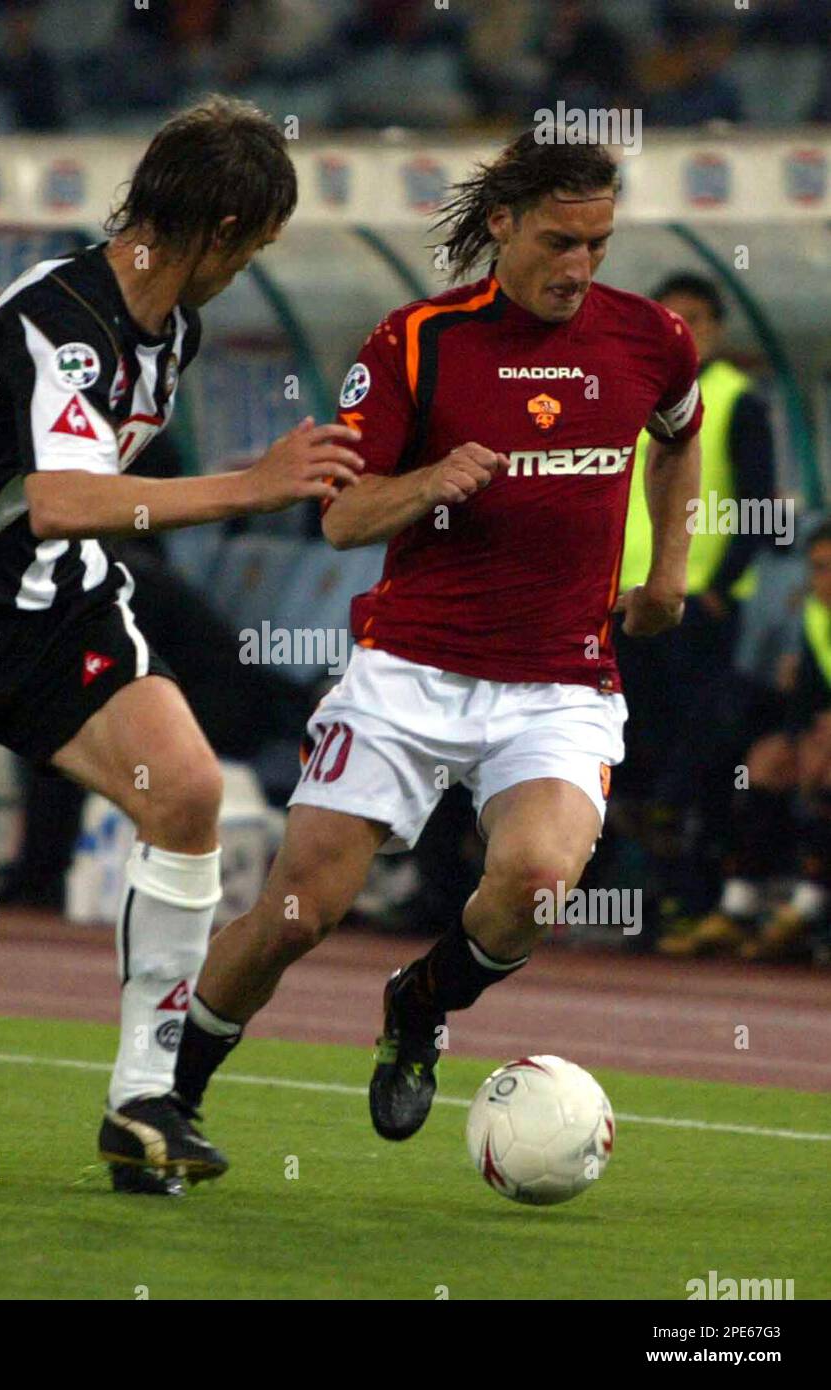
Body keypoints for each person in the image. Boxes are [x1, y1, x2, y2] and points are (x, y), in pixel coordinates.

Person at [0, 96, 365, 1197]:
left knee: (182, 790)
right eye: (256, 243)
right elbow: (64, 497)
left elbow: (76, 524)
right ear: (221, 229)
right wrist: (251, 484)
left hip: (60, 616)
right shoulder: (61, 320)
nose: (251, 265)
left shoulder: (169, 322)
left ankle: (143, 1099)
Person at [173, 129, 704, 1157]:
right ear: (500, 225)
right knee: (296, 910)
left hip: (557, 682)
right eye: (558, 241)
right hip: (408, 673)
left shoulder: (650, 339)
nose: (578, 266)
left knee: (535, 885)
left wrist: (670, 566)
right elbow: (337, 518)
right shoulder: (414, 342)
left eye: (596, 243)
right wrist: (426, 483)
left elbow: (676, 443)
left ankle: (418, 1005)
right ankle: (170, 1088)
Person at [613, 272, 777, 942]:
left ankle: (692, 900)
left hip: (695, 611)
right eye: (671, 317)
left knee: (694, 755)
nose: (684, 329)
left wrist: (715, 589)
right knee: (635, 755)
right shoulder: (628, 393)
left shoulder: (737, 400)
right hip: (624, 604)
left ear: (717, 328)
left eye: (698, 319)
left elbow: (760, 507)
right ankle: (646, 903)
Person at [669, 520, 831, 962]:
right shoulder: (815, 615)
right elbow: (808, 697)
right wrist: (801, 738)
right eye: (817, 568)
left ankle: (811, 907)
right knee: (765, 760)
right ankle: (743, 904)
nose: (823, 580)